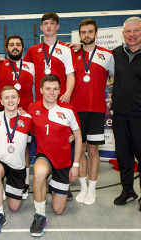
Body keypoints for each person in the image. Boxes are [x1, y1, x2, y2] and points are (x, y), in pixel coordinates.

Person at [28, 74, 82, 237]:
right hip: (44, 156)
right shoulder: (32, 108)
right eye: (48, 88)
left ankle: (52, 186)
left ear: (60, 91)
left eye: (55, 89)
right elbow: (19, 125)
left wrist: (76, 165)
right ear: (41, 90)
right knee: (39, 172)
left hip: (63, 161)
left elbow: (78, 137)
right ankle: (39, 214)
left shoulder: (69, 109)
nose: (51, 92)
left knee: (58, 210)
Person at [70, 19, 114, 205]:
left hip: (96, 110)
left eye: (90, 32)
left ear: (96, 33)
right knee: (80, 151)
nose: (86, 35)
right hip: (76, 110)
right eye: (83, 32)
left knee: (93, 151)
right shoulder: (72, 53)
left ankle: (93, 190)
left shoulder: (107, 55)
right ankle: (83, 188)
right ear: (79, 35)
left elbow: (117, 78)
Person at [0, 85, 33, 234]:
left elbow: (47, 131)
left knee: (14, 207)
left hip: (17, 166)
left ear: (19, 100)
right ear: (1, 101)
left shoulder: (28, 118)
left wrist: (68, 136)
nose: (10, 100)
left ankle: (2, 190)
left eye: (13, 97)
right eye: (6, 97)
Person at [0, 35, 35, 199]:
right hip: (4, 112)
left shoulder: (31, 66)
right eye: (11, 45)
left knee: (23, 148)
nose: (15, 47)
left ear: (22, 47)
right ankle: (2, 183)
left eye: (18, 44)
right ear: (6, 48)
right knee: (2, 146)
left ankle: (24, 182)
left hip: (25, 114)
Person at [111, 16, 141, 209]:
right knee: (124, 156)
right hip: (120, 115)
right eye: (128, 31)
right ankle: (128, 191)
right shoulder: (115, 54)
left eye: (136, 30)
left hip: (140, 116)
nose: (132, 35)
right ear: (123, 34)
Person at [24, 12, 76, 103]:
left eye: (52, 23)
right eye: (46, 23)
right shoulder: (32, 50)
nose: (49, 26)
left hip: (61, 98)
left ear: (57, 27)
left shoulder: (66, 49)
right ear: (41, 27)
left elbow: (71, 76)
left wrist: (68, 93)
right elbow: (24, 71)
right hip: (40, 99)